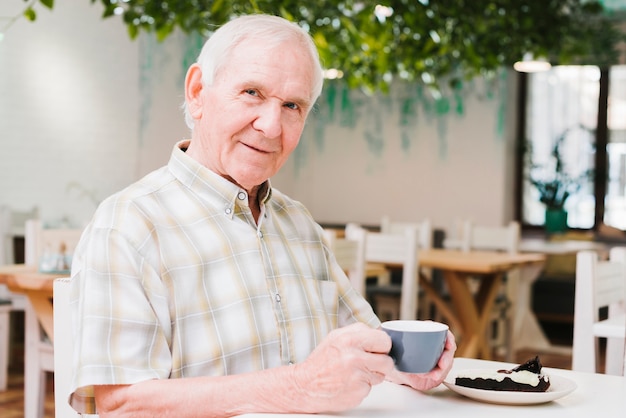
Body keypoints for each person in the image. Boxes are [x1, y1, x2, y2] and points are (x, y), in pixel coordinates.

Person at [69, 13, 456, 417]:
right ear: (198, 91)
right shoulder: (130, 223)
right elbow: (122, 405)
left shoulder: (298, 222)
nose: (271, 126)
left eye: (292, 105)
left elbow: (366, 344)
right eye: (252, 92)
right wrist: (294, 388)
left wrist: (406, 365)